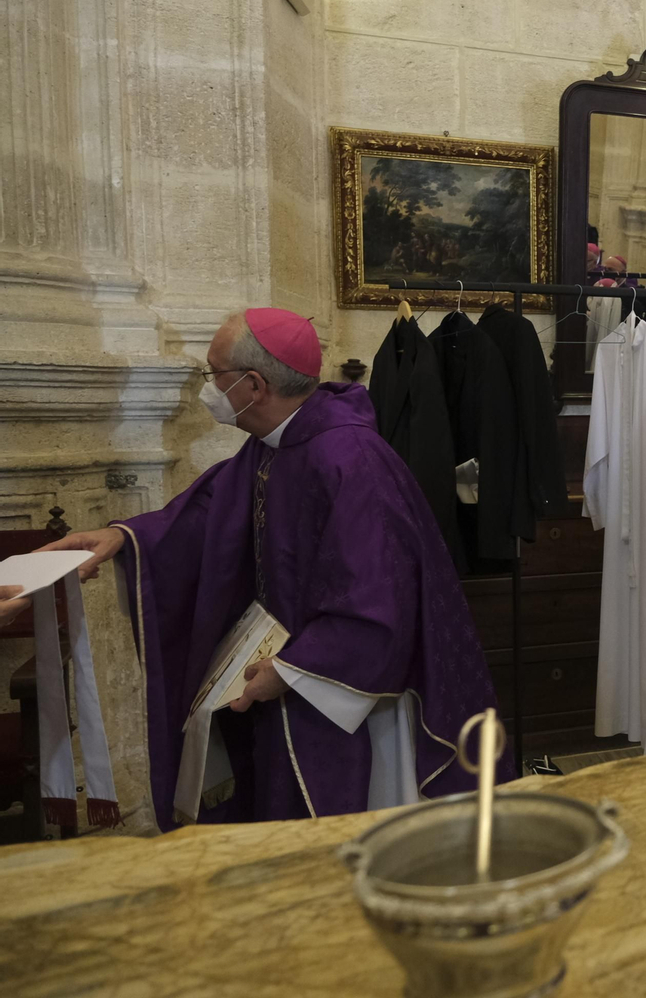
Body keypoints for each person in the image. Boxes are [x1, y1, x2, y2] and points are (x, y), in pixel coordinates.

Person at [39, 309, 505, 830]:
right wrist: (122, 537)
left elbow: (381, 600)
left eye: (214, 374)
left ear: (254, 385)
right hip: (285, 672)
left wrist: (288, 671)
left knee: (362, 839)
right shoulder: (275, 445)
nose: (209, 389)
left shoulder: (351, 460)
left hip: (348, 693)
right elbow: (206, 514)